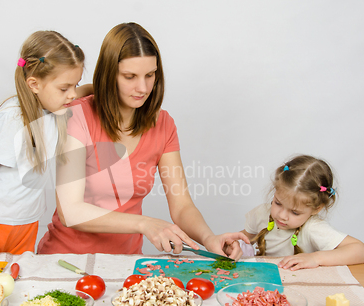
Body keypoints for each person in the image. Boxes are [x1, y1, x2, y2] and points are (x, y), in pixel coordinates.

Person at [37, 22, 249, 258]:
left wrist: (209, 238)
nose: (143, 87)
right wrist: (144, 223)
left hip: (124, 263)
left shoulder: (164, 125)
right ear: (109, 75)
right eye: (130, 76)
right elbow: (70, 211)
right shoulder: (77, 115)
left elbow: (182, 206)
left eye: (150, 75)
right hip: (64, 259)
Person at [0, 31, 91, 272]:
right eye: (65, 88)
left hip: (27, 222)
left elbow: (83, 91)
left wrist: (110, 86)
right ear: (34, 84)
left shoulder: (53, 103)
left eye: (75, 84)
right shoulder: (13, 117)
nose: (72, 94)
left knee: (18, 283)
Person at [240, 155, 364, 271]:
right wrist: (234, 244)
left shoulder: (313, 227)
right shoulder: (261, 213)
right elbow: (245, 238)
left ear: (316, 208)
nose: (282, 215)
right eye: (278, 203)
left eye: (295, 212)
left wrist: (315, 258)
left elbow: (362, 251)